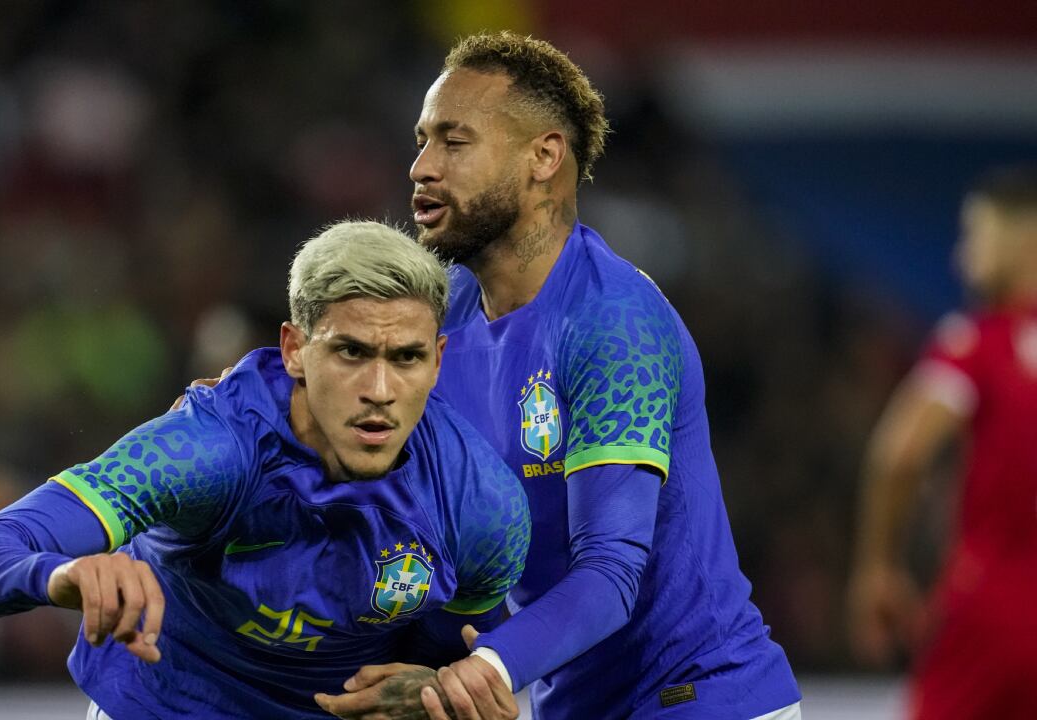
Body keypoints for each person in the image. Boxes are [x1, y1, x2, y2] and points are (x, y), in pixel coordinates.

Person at [281, 31, 801, 720]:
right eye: (420, 140)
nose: (420, 167)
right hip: (569, 703)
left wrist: (479, 671)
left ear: (543, 157)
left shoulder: (612, 322)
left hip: (698, 699)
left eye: (453, 141)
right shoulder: (442, 317)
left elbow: (612, 574)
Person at [0, 221, 531, 719]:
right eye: (351, 352)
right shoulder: (205, 452)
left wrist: (441, 694)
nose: (379, 389)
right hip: (164, 707)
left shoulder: (479, 507)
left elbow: (442, 662)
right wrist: (62, 575)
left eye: (406, 358)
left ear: (438, 359)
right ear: (295, 350)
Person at [848, 167, 1037, 720]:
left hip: (997, 601)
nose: (963, 255)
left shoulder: (978, 341)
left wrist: (877, 567)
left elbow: (897, 453)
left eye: (976, 235)